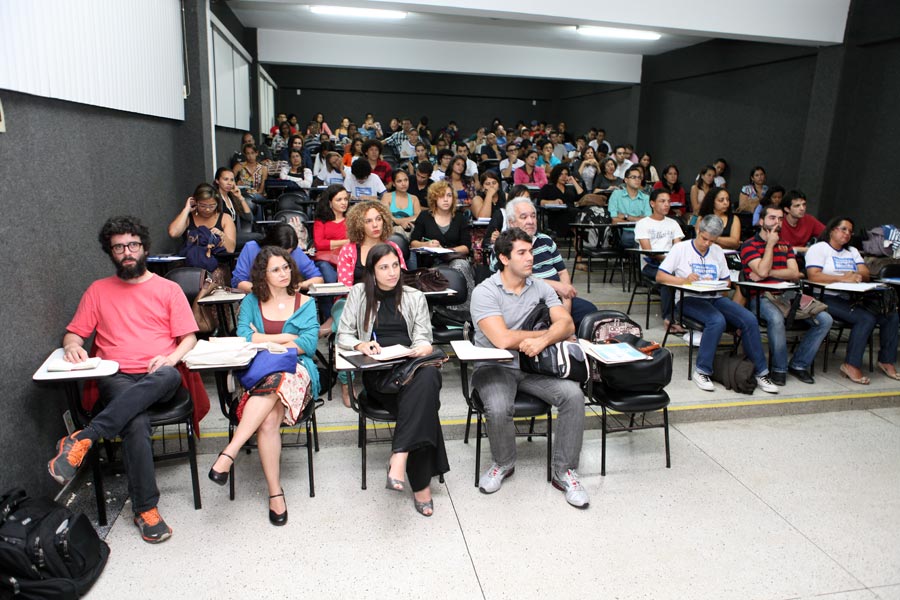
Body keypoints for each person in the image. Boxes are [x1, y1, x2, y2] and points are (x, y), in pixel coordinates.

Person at [49, 216, 199, 543]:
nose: (127, 252)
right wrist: (72, 346)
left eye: (132, 245)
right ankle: (146, 510)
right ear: (111, 252)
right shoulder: (98, 291)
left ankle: (86, 436)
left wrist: (171, 358)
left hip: (160, 373)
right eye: (119, 248)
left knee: (165, 376)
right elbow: (74, 334)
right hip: (115, 374)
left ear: (144, 247)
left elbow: (189, 338)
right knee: (135, 421)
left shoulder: (169, 289)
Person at [470, 228, 590, 508]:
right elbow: (502, 339)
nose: (530, 258)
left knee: (573, 396)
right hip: (495, 365)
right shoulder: (485, 292)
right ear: (504, 258)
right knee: (498, 407)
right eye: (522, 253)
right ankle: (503, 463)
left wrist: (544, 341)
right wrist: (546, 335)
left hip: (534, 365)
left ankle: (564, 472)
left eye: (531, 252)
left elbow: (567, 324)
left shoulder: (541, 287)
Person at [208, 247, 320, 526]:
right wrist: (286, 337)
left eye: (286, 267)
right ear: (263, 274)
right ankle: (275, 493)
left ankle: (230, 453)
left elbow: (308, 345)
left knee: (278, 382)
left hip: (296, 369)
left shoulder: (306, 302)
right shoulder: (251, 301)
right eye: (275, 270)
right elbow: (244, 337)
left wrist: (265, 339)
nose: (284, 274)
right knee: (269, 418)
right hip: (258, 370)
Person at [336, 243, 449, 516]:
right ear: (372, 272)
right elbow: (343, 335)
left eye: (395, 266)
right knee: (425, 403)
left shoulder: (414, 296)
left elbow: (423, 336)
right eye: (384, 267)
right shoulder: (359, 293)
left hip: (410, 367)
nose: (391, 272)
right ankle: (420, 485)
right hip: (380, 374)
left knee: (427, 374)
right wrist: (361, 345)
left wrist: (421, 347)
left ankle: (400, 455)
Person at [656, 215, 779, 394]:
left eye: (712, 241)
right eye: (704, 238)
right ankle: (702, 370)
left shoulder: (717, 251)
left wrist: (714, 282)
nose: (707, 244)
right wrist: (684, 280)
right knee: (716, 320)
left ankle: (761, 372)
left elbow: (727, 281)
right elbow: (660, 276)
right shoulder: (680, 248)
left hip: (714, 296)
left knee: (749, 319)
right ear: (698, 230)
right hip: (688, 298)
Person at [741, 205, 833, 385]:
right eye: (772, 218)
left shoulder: (786, 244)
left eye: (780, 219)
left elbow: (794, 273)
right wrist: (770, 245)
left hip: (788, 295)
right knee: (776, 319)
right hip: (761, 297)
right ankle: (779, 369)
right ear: (761, 221)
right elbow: (762, 269)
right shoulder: (749, 245)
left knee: (825, 319)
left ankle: (799, 364)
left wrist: (767, 273)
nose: (777, 222)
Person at [806, 217, 900, 385]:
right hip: (826, 298)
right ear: (832, 230)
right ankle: (851, 365)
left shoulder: (852, 251)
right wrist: (842, 278)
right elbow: (813, 275)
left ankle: (886, 360)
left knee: (891, 315)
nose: (847, 233)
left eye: (850, 231)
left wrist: (855, 276)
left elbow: (865, 273)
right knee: (865, 319)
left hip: (851, 297)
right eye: (843, 229)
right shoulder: (819, 249)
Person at [493, 198, 596, 327]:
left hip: (558, 297)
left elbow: (562, 272)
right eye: (524, 217)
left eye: (533, 216)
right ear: (511, 222)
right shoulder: (504, 246)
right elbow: (514, 279)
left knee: (590, 313)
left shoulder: (546, 241)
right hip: (528, 301)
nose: (530, 221)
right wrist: (556, 286)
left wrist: (566, 301)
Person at [409, 181, 474, 313]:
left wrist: (448, 250)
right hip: (430, 261)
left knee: (460, 265)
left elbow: (466, 247)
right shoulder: (424, 216)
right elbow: (413, 242)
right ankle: (440, 312)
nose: (446, 199)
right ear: (434, 198)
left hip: (454, 258)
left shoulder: (460, 218)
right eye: (441, 196)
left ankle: (464, 310)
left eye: (449, 196)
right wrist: (426, 244)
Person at [635, 189, 684, 333]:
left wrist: (673, 261)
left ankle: (683, 317)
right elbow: (648, 251)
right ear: (652, 203)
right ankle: (669, 319)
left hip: (672, 264)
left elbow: (678, 247)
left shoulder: (673, 223)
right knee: (668, 280)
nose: (667, 204)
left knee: (687, 276)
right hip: (651, 264)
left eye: (668, 201)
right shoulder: (643, 223)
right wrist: (670, 260)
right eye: (662, 201)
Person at [232, 223, 323, 293]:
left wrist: (299, 285)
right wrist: (265, 291)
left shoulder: (295, 252)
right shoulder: (251, 248)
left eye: (288, 253)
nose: (285, 256)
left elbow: (318, 279)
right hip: (257, 296)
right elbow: (238, 282)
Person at [168, 183, 236, 263]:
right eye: (203, 206)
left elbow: (231, 249)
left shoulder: (225, 218)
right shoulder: (189, 217)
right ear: (196, 202)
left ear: (217, 204)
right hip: (191, 262)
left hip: (217, 262)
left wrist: (221, 235)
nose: (207, 209)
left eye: (212, 206)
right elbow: (173, 233)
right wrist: (186, 209)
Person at [313, 184, 351, 284]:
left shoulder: (352, 220)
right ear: (330, 202)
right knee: (327, 272)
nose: (344, 203)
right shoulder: (321, 221)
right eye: (339, 200)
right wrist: (346, 242)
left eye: (345, 199)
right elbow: (319, 244)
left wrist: (330, 244)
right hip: (326, 260)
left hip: (349, 258)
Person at [609, 165, 650, 248]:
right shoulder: (616, 195)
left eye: (639, 177)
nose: (637, 180)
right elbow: (614, 220)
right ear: (626, 180)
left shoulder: (646, 198)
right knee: (635, 240)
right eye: (633, 177)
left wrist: (626, 217)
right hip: (623, 231)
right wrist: (638, 219)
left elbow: (648, 220)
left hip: (642, 232)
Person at [539, 164, 582, 239]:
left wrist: (573, 181)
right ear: (556, 175)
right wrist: (553, 202)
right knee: (574, 213)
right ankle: (577, 235)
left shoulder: (570, 189)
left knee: (577, 212)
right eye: (561, 174)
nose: (564, 177)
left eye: (566, 174)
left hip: (572, 215)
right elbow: (540, 202)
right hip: (556, 215)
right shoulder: (548, 188)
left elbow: (582, 195)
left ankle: (577, 235)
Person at [780, 190, 825, 254]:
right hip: (782, 257)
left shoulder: (809, 220)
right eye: (797, 206)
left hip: (803, 258)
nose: (802, 208)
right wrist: (804, 249)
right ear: (787, 209)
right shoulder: (778, 222)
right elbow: (778, 249)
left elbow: (828, 234)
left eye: (804, 204)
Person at [382, 170, 421, 237]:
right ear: (393, 184)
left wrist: (401, 221)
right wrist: (398, 221)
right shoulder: (387, 197)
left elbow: (418, 216)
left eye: (406, 180)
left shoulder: (414, 198)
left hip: (409, 230)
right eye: (399, 181)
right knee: (398, 230)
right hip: (390, 231)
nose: (403, 184)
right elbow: (385, 215)